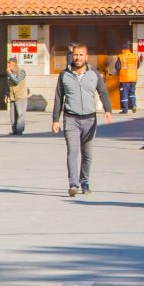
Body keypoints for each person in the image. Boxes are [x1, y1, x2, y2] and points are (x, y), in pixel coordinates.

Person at [50, 44, 111, 197]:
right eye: (75, 55)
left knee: (87, 153)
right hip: (71, 118)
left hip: (90, 119)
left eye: (80, 55)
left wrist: (108, 110)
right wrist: (55, 119)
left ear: (86, 56)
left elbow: (103, 92)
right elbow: (58, 98)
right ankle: (73, 184)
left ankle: (85, 182)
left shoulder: (94, 74)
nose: (77, 58)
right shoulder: (64, 75)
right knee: (73, 151)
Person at [3, 56, 27, 135]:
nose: (9, 65)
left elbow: (17, 81)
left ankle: (19, 130)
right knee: (12, 116)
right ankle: (14, 131)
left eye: (10, 64)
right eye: (8, 64)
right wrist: (6, 95)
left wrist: (10, 73)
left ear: (15, 64)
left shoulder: (21, 72)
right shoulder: (9, 73)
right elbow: (7, 85)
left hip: (20, 96)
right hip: (12, 96)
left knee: (20, 114)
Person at [115, 43, 140, 114]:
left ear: (123, 49)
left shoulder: (121, 56)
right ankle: (134, 105)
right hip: (133, 78)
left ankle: (125, 110)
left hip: (124, 78)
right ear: (129, 49)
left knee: (124, 94)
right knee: (132, 92)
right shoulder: (135, 56)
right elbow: (137, 66)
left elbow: (117, 67)